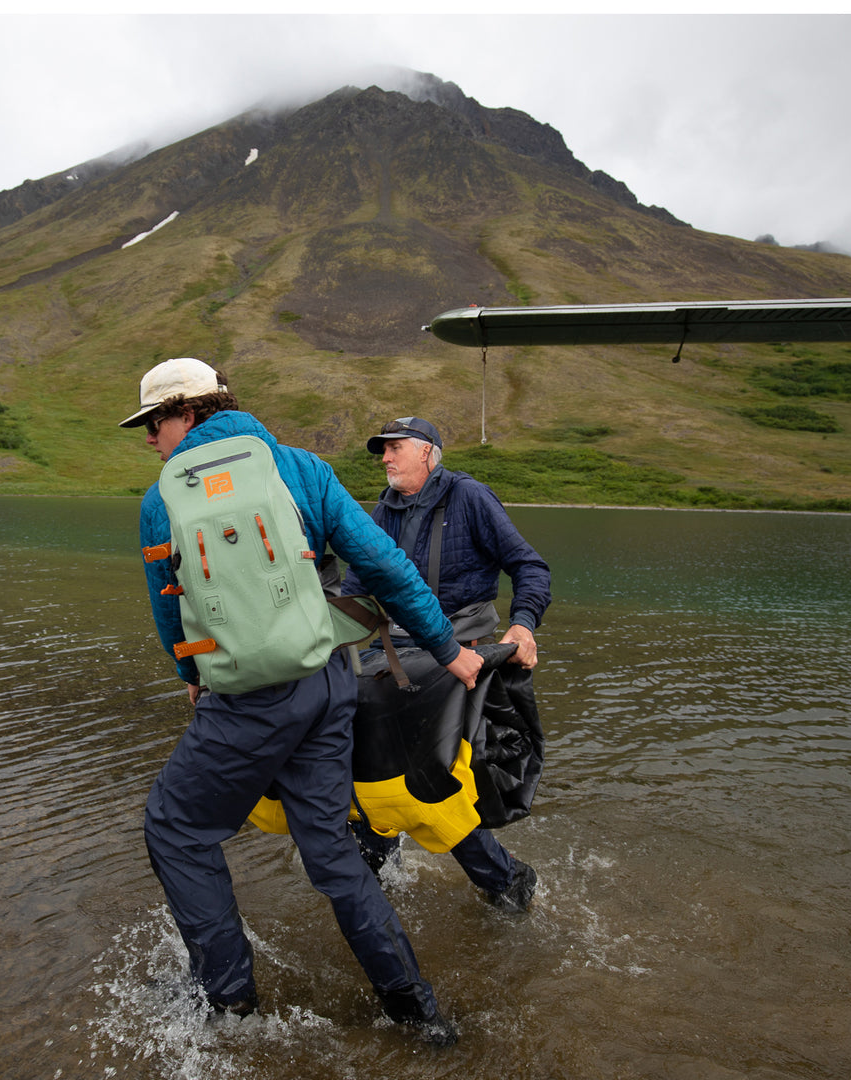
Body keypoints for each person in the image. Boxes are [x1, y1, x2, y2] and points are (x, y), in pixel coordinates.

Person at [121, 359, 483, 1045]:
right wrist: (448, 648)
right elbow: (384, 566)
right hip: (327, 683)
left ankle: (228, 1006)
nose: (149, 439)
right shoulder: (303, 469)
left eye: (154, 423)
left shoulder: (162, 499)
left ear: (189, 414)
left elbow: (169, 614)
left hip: (247, 700)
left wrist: (190, 677)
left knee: (174, 826)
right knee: (336, 856)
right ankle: (415, 1010)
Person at [341, 416, 551, 911]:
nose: (385, 458)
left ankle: (508, 882)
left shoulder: (471, 498)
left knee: (430, 776)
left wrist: (522, 626)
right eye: (382, 451)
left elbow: (529, 566)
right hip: (390, 654)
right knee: (363, 762)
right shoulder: (382, 511)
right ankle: (382, 876)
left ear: (429, 453)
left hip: (459, 657)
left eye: (395, 449)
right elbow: (354, 591)